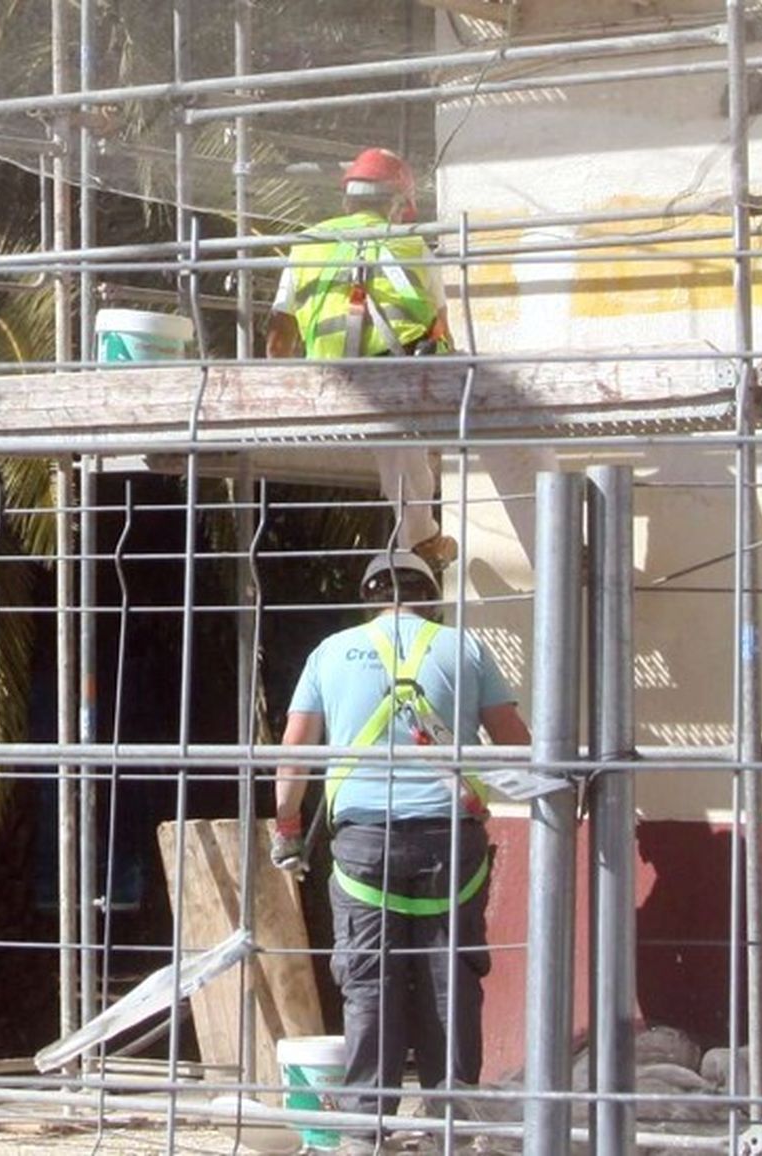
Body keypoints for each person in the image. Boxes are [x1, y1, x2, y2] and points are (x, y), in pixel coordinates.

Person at [270, 549, 530, 1152]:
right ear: (431, 597)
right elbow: (517, 745)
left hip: (363, 845)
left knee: (369, 980)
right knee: (451, 978)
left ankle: (365, 1132)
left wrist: (287, 830)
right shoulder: (464, 648)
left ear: (368, 598)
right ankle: (452, 1126)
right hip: (449, 840)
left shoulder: (330, 653)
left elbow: (294, 753)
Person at [266, 147, 457, 565]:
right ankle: (419, 537)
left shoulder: (308, 246)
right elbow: (441, 328)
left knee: (396, 440)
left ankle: (419, 536)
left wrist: (281, 389)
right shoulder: (413, 246)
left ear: (347, 200)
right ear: (397, 203)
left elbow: (279, 338)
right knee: (403, 436)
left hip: (330, 379)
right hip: (400, 375)